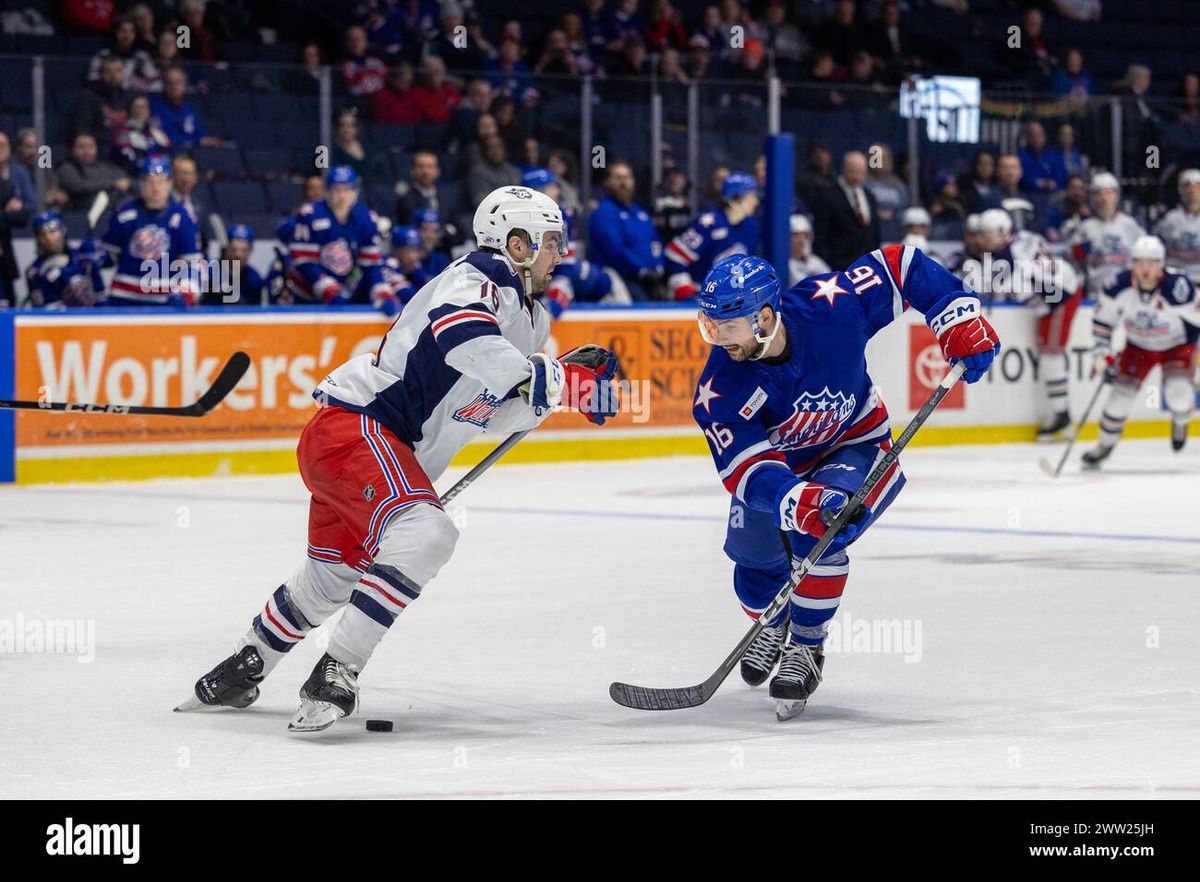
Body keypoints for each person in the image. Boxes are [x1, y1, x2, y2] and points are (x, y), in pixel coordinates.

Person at [180, 185, 621, 733]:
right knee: (429, 534)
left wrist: (562, 396)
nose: (563, 254)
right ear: (515, 242)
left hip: (366, 448)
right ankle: (336, 670)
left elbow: (483, 410)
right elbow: (465, 341)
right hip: (358, 429)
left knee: (333, 578)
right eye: (552, 241)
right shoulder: (476, 277)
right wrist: (551, 377)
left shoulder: (533, 323)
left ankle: (245, 665)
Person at [692, 246, 999, 719]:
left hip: (856, 444)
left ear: (764, 317)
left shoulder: (829, 306)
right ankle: (773, 621)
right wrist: (795, 498)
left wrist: (954, 314)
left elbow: (901, 265)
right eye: (711, 325)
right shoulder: (721, 388)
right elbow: (745, 469)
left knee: (823, 527)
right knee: (754, 572)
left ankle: (807, 648)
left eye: (727, 326)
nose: (717, 338)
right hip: (781, 471)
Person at [1083, 235, 1200, 467]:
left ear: (1161, 264)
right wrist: (1101, 356)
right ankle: (1105, 446)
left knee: (1179, 396)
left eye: (1152, 262)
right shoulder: (1116, 286)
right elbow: (1102, 324)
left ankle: (1180, 422)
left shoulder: (1179, 288)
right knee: (1119, 398)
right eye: (1140, 262)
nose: (1146, 269)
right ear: (1132, 263)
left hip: (1177, 346)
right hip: (1138, 346)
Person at [975, 208, 1081, 440]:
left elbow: (1017, 289)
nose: (982, 238)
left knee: (1051, 354)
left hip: (1061, 297)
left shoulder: (1005, 259)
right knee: (1050, 354)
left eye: (987, 233)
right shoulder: (1022, 237)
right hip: (1060, 290)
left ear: (1003, 232)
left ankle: (1062, 416)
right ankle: (1060, 414)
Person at [283, 166, 398, 315]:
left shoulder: (366, 218)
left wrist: (381, 293)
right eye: (337, 189)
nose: (342, 196)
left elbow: (371, 265)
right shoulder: (309, 215)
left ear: (355, 192)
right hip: (304, 295)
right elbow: (304, 263)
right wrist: (328, 290)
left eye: (347, 189)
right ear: (327, 191)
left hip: (342, 290)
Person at [97, 157, 202, 307]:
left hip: (165, 301)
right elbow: (109, 256)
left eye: (161, 181)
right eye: (150, 181)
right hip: (123, 298)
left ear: (169, 184)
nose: (156, 187)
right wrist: (97, 258)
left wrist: (186, 292)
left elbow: (193, 263)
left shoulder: (182, 218)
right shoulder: (125, 214)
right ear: (141, 184)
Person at [664, 171, 760, 300]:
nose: (756, 201)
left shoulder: (751, 227)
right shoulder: (709, 223)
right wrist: (686, 291)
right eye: (751, 196)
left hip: (731, 299)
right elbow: (674, 255)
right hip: (701, 296)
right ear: (737, 198)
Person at [589, 160, 665, 300]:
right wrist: (640, 271)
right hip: (619, 280)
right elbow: (614, 250)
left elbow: (655, 241)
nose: (624, 183)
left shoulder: (639, 212)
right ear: (607, 182)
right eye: (618, 178)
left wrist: (659, 267)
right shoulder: (604, 212)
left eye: (628, 177)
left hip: (648, 280)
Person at [1067, 172, 1143, 298]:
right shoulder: (1084, 228)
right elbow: (1075, 263)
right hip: (1095, 296)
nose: (1104, 198)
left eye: (1108, 193)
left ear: (1116, 196)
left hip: (1128, 296)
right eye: (1098, 193)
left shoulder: (1130, 225)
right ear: (1092, 198)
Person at [811, 151, 881, 270]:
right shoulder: (827, 196)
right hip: (838, 266)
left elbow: (874, 232)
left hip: (866, 267)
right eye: (852, 172)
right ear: (844, 169)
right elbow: (820, 236)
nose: (856, 177)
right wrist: (829, 265)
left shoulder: (870, 197)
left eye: (860, 173)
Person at [22, 211, 105, 308]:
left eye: (52, 232)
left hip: (90, 320)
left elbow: (101, 298)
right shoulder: (34, 271)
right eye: (43, 234)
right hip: (56, 321)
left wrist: (96, 253)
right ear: (38, 239)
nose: (48, 238)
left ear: (63, 231)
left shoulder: (83, 258)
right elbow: (39, 310)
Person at [1154, 169, 1200, 284]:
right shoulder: (1170, 219)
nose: (1192, 191)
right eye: (1188, 186)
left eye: (1197, 186)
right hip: (1175, 278)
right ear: (1181, 190)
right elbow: (1157, 249)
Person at [202, 224, 263, 307]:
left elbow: (256, 314)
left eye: (244, 250)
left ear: (250, 251)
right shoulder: (208, 272)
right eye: (234, 249)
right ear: (227, 248)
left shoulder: (254, 280)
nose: (238, 255)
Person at [787, 214, 829, 285]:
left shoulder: (815, 262)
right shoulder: (784, 263)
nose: (800, 240)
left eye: (805, 235)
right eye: (795, 235)